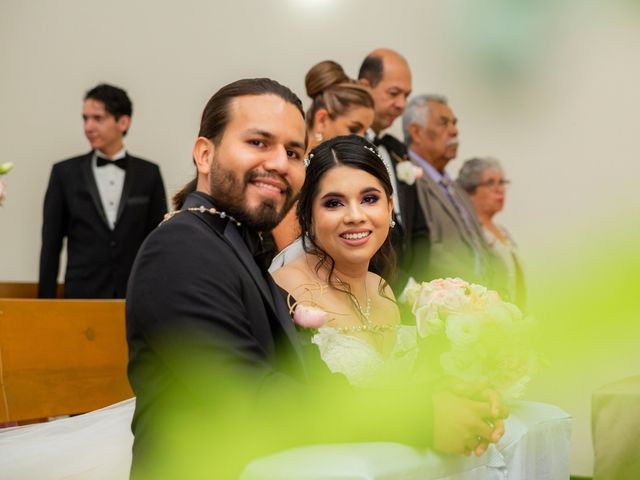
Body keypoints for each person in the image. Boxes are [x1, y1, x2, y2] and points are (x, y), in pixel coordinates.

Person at [126, 81, 505, 477]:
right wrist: (422, 421)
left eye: (292, 151)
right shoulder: (181, 248)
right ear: (205, 154)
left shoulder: (237, 248)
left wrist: (443, 400)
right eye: (258, 142)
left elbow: (314, 383)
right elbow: (251, 400)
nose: (278, 162)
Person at [38, 84, 167, 298]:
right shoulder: (64, 173)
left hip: (135, 295)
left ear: (123, 122)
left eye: (98, 118)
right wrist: (44, 305)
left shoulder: (149, 174)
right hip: (81, 295)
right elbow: (51, 244)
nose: (88, 127)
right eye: (85, 118)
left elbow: (158, 242)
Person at [402, 94, 505, 294]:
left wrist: (494, 290)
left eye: (454, 123)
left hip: (481, 300)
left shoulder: (456, 188)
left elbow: (479, 244)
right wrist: (470, 291)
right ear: (416, 132)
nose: (454, 130)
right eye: (443, 123)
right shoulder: (408, 180)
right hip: (447, 303)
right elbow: (428, 248)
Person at [270, 60, 374, 255]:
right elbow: (290, 251)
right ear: (322, 119)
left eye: (365, 131)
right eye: (354, 128)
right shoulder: (293, 170)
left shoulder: (333, 168)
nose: (361, 138)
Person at [358, 48, 425, 292]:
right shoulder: (343, 151)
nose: (401, 105)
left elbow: (419, 230)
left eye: (406, 96)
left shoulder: (398, 150)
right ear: (365, 86)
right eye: (394, 93)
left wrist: (417, 286)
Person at [458, 157, 525, 308]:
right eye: (490, 183)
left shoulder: (503, 232)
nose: (499, 189)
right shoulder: (469, 232)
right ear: (469, 191)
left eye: (502, 182)